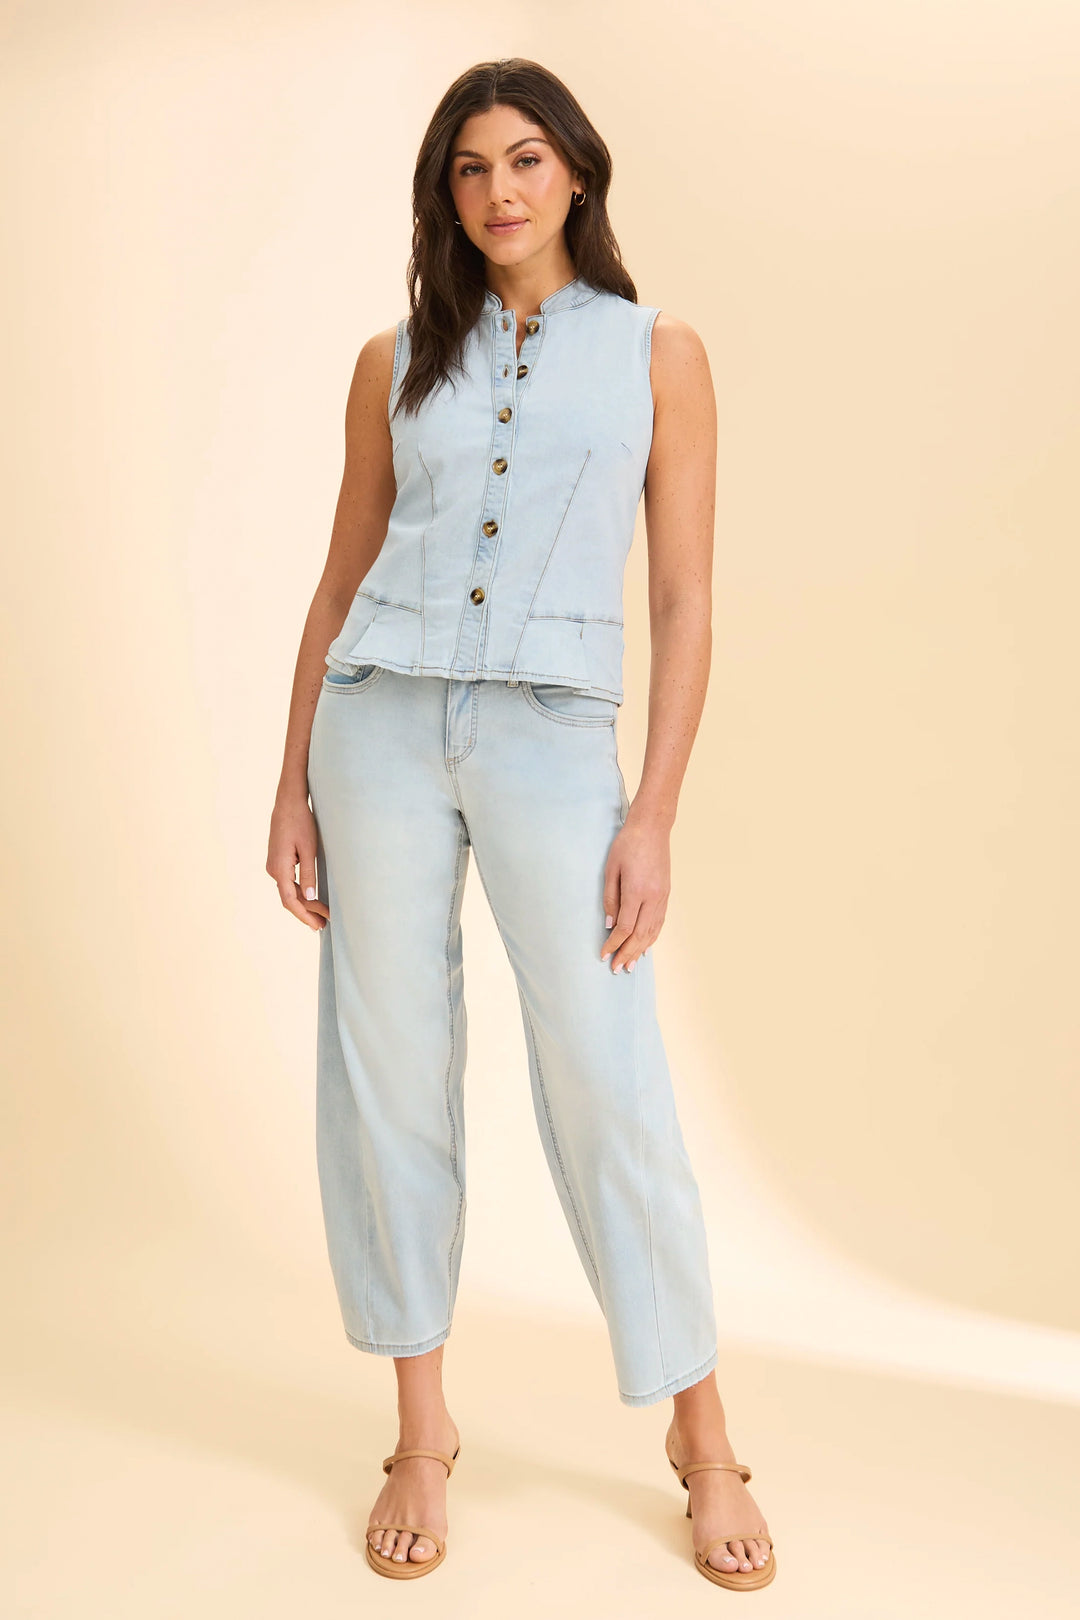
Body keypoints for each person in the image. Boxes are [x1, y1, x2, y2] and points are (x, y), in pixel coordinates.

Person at [266, 56, 775, 1591]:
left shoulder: (658, 355)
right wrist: (288, 780)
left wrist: (659, 810)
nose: (500, 189)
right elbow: (339, 576)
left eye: (527, 159)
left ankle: (702, 1436)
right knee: (390, 1074)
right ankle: (421, 1431)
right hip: (380, 724)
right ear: (447, 193)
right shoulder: (396, 357)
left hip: (558, 740)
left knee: (606, 1079)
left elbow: (682, 600)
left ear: (576, 176)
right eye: (473, 167)